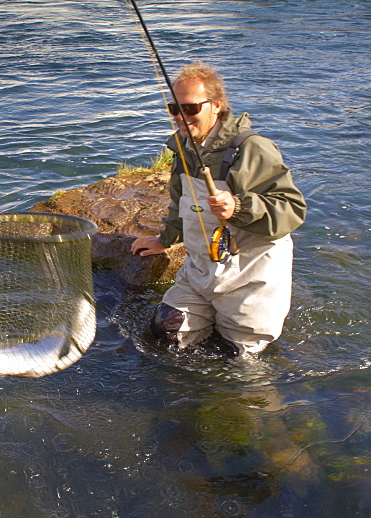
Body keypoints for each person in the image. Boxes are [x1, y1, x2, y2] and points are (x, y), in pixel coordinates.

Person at [131, 63, 306, 355]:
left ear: (216, 106)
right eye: (174, 108)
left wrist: (239, 207)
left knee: (237, 359)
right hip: (202, 269)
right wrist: (164, 240)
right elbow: (181, 202)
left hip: (252, 274)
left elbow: (292, 210)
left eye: (190, 108)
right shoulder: (183, 149)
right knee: (165, 331)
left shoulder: (252, 149)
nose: (180, 117)